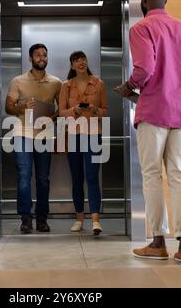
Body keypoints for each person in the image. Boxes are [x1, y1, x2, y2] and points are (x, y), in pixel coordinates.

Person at [115, 0, 181, 264]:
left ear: (144, 1)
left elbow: (144, 69)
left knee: (152, 176)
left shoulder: (142, 28)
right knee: (179, 176)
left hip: (154, 111)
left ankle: (158, 242)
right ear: (166, 0)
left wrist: (128, 87)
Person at [5, 43, 62, 234]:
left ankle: (42, 219)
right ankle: (25, 219)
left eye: (44, 55)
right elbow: (8, 107)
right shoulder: (18, 81)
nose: (42, 58)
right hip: (22, 134)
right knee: (23, 177)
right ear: (30, 58)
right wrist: (22, 108)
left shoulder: (56, 83)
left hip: (43, 135)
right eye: (38, 55)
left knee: (43, 179)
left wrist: (50, 119)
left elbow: (61, 109)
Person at [59, 51, 108, 235]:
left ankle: (95, 220)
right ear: (72, 65)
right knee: (77, 178)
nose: (81, 62)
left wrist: (96, 110)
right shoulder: (66, 86)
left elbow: (105, 110)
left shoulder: (99, 83)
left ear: (87, 62)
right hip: (73, 135)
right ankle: (79, 219)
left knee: (92, 176)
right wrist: (75, 110)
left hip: (94, 134)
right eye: (76, 60)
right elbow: (61, 112)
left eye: (83, 59)